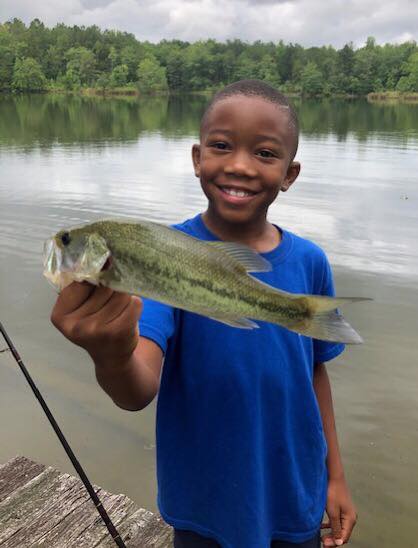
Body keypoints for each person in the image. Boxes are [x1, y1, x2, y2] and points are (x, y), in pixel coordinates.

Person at [51, 79, 357, 548]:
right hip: (204, 503)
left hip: (296, 492)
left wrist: (335, 476)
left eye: (265, 153)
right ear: (197, 158)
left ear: (289, 174)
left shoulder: (311, 262)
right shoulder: (159, 258)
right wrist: (110, 354)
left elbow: (314, 372)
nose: (239, 165)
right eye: (221, 146)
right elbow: (136, 390)